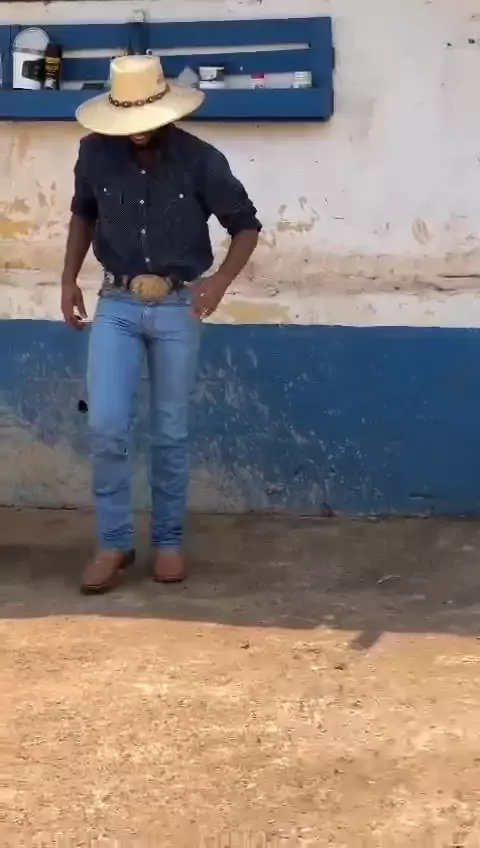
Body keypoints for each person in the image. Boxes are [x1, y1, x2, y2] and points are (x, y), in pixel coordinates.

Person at [61, 54, 261, 594]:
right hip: (116, 303)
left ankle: (168, 541)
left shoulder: (200, 160)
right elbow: (83, 214)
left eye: (145, 117)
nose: (138, 129)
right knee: (107, 425)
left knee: (170, 431)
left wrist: (219, 282)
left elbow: (245, 225)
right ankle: (114, 542)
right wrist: (68, 279)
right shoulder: (95, 153)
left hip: (177, 306)